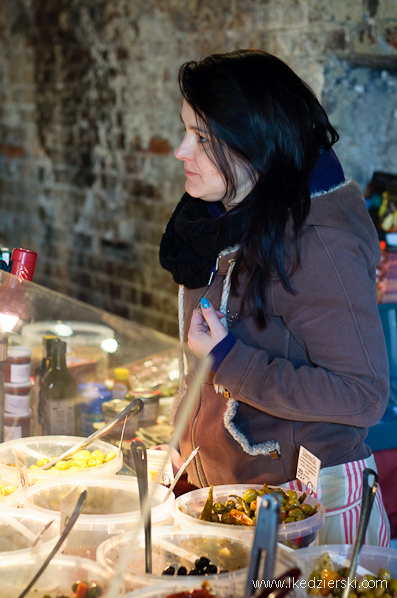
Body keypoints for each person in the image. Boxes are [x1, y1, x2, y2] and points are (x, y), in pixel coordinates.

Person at [159, 49, 391, 545]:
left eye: (201, 137)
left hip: (307, 507)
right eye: (186, 131)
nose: (182, 150)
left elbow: (363, 393)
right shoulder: (223, 217)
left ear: (254, 145)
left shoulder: (316, 240)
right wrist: (183, 436)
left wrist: (227, 359)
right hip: (236, 495)